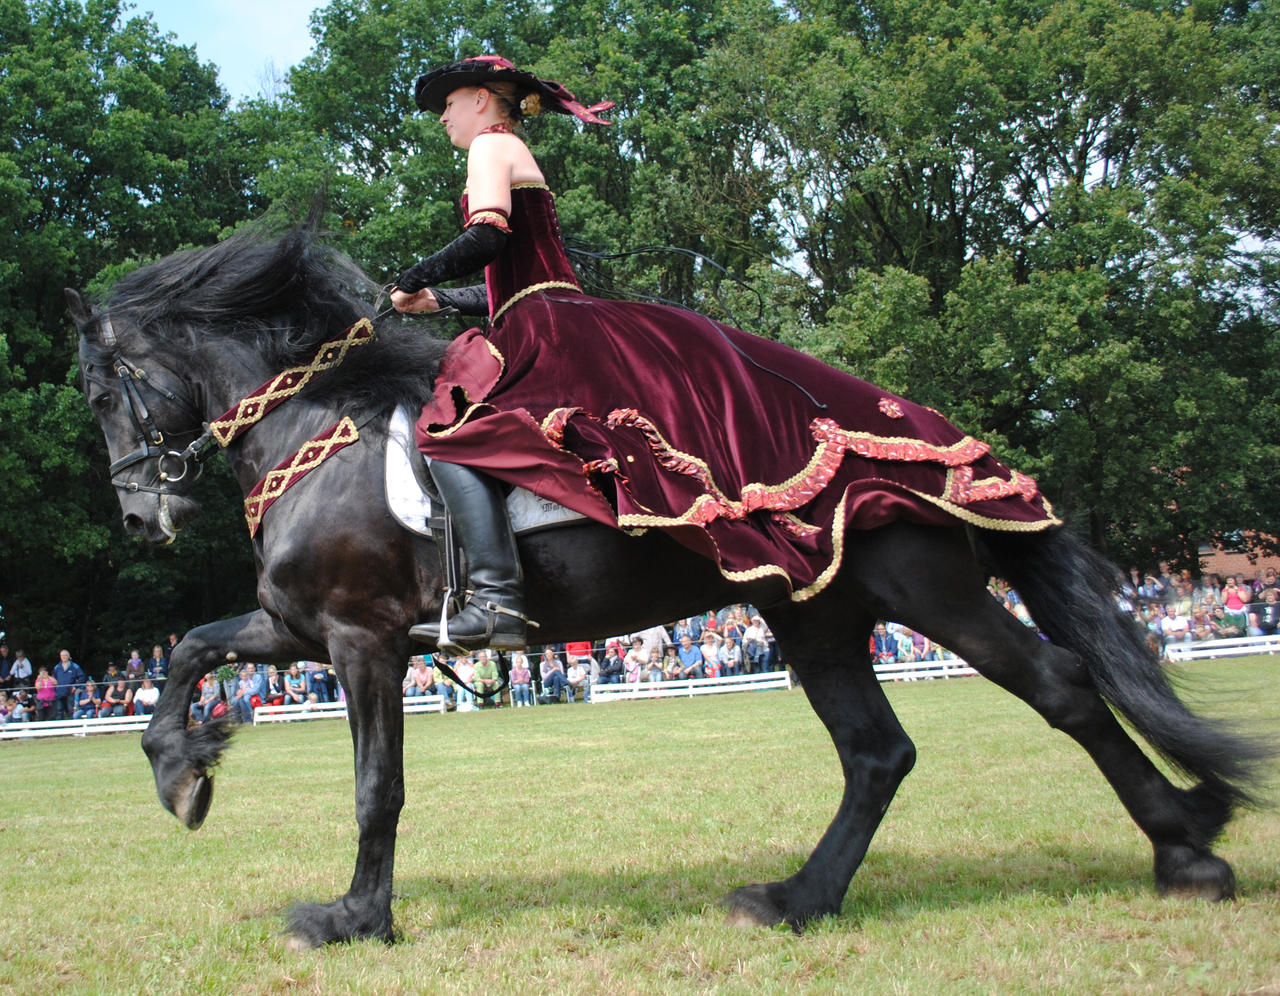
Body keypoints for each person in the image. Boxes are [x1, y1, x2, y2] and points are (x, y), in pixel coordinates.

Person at [395, 55, 1057, 655]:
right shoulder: (509, 148)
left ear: (482, 98)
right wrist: (442, 303)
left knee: (452, 433)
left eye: (448, 103)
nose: (444, 117)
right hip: (543, 317)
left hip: (546, 328)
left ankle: (496, 602)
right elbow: (517, 277)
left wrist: (411, 275)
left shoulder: (489, 147)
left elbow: (486, 235)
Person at [53, 650, 85, 721]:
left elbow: (82, 677)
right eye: (62, 655)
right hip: (59, 692)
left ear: (69, 656)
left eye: (65, 655)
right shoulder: (57, 667)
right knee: (59, 710)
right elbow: (54, 679)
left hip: (70, 692)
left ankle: (73, 727)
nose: (63, 657)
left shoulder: (75, 666)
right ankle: (60, 728)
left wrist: (75, 686)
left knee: (71, 710)